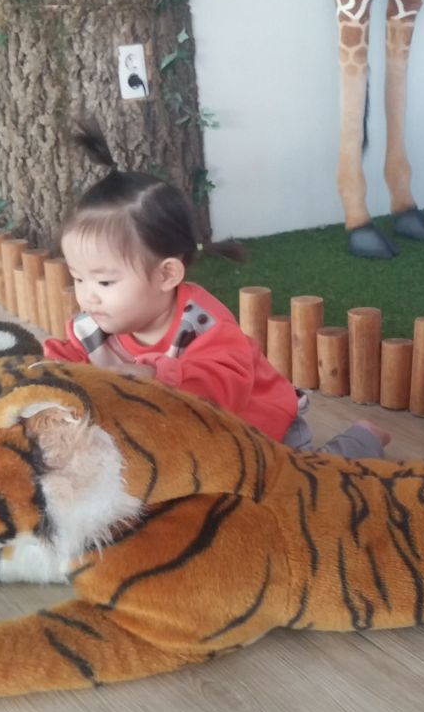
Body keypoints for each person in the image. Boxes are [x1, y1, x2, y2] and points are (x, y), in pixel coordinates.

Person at [44, 121, 388, 459]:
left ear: (166, 275)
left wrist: (157, 375)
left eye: (104, 282)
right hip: (192, 441)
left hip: (259, 431)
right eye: (78, 278)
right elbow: (67, 358)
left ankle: (363, 440)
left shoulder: (203, 325)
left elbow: (224, 387)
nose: (88, 295)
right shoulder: (92, 326)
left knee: (307, 484)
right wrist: (45, 372)